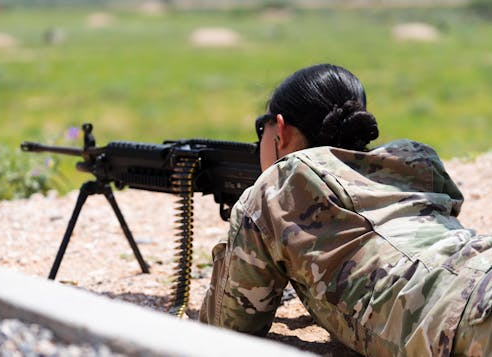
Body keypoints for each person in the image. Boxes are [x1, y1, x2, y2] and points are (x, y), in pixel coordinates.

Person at [199, 64, 491, 357]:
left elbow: (226, 330)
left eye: (262, 129)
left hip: (466, 313)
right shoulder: (414, 164)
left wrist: (246, 221)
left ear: (281, 130)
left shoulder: (279, 186)